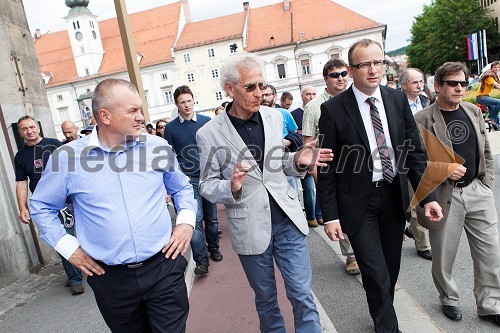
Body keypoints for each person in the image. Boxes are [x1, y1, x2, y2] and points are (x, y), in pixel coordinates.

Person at [30, 78, 197, 332]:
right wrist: (69, 249)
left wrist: (185, 223)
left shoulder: (157, 147)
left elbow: (182, 187)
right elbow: (41, 206)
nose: (141, 117)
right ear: (105, 116)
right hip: (110, 279)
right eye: (132, 111)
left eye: (140, 109)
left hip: (163, 266)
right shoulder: (67, 158)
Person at [196, 52, 333, 332]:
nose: (260, 93)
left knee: (302, 295)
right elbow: (207, 185)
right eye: (250, 87)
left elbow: (276, 165)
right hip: (250, 227)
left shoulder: (273, 118)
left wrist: (297, 160)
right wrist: (230, 186)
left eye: (261, 85)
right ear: (230, 89)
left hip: (288, 222)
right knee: (267, 300)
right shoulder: (208, 134)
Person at [317, 39, 443, 333]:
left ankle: (380, 313)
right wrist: (331, 214)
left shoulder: (396, 100)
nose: (373, 70)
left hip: (393, 198)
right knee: (375, 273)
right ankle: (388, 327)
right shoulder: (333, 110)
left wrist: (428, 197)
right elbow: (327, 165)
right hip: (358, 204)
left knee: (390, 269)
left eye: (378, 62)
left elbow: (414, 152)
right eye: (364, 64)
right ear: (351, 70)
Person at [414, 62, 500, 326]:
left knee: (490, 253)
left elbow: (485, 149)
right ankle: (449, 299)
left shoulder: (473, 110)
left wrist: (486, 183)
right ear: (437, 86)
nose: (460, 88)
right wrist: (442, 169)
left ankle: (490, 304)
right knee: (443, 256)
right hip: (442, 197)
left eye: (463, 83)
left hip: (478, 191)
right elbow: (412, 162)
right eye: (453, 83)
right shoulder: (421, 120)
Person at [302, 58, 359, 276]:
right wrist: (317, 176)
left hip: (358, 166)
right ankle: (351, 256)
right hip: (331, 170)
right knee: (341, 214)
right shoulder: (314, 107)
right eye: (335, 75)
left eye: (344, 74)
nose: (341, 78)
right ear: (326, 79)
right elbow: (308, 145)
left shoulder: (356, 100)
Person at [15, 116, 84, 295]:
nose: (29, 131)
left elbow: (74, 167)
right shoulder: (21, 156)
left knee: (80, 234)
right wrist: (22, 207)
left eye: (32, 127)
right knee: (62, 239)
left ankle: (87, 268)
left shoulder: (54, 145)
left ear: (38, 127)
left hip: (67, 200)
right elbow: (21, 182)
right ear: (20, 132)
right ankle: (75, 278)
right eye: (24, 129)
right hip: (46, 206)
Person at [164, 85, 222, 276]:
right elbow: (170, 158)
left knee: (212, 219)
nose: (187, 105)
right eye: (182, 102)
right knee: (195, 221)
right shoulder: (171, 129)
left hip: (209, 177)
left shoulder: (207, 122)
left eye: (189, 101)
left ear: (193, 100)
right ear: (177, 104)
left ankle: (214, 248)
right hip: (188, 182)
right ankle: (201, 260)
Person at [399, 68, 432, 260]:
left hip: (430, 157)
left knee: (432, 197)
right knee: (416, 202)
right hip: (409, 160)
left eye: (421, 81)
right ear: (404, 85)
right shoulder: (397, 105)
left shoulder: (427, 102)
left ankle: (412, 228)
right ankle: (423, 245)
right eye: (415, 82)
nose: (419, 85)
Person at [290, 85, 323, 235]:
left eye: (313, 94)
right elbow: (295, 135)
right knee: (309, 189)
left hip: (319, 154)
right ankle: (311, 216)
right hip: (303, 155)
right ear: (302, 96)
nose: (311, 96)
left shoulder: (320, 108)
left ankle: (320, 214)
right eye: (308, 94)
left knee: (321, 186)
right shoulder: (296, 113)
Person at [476, 60, 500, 129]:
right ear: (491, 68)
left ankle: (496, 126)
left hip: (485, 96)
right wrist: (498, 75)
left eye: (498, 67)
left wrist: (498, 75)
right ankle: (490, 118)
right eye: (495, 67)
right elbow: (497, 86)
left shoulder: (493, 76)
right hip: (481, 97)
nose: (497, 69)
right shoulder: (488, 76)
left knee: (494, 109)